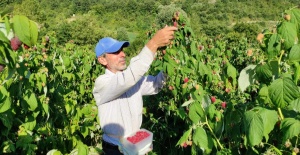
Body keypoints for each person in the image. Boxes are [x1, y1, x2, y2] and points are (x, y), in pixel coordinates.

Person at [93, 26, 177, 155]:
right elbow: (128, 78)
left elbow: (156, 84)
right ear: (102, 60)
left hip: (136, 144)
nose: (123, 54)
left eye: (122, 50)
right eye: (116, 52)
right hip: (115, 148)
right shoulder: (102, 83)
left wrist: (169, 65)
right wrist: (153, 43)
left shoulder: (132, 79)